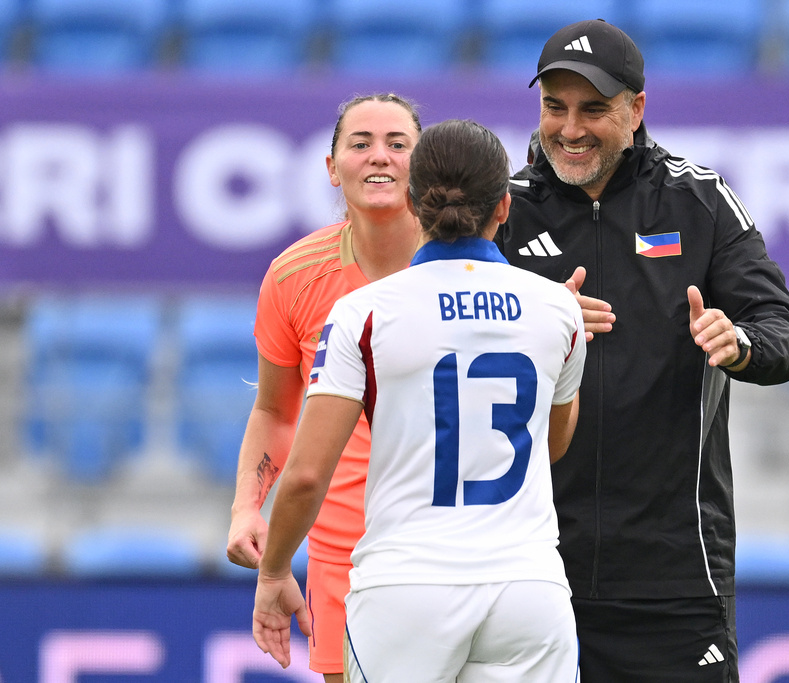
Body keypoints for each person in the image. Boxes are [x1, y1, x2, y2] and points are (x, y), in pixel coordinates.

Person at [493, 18, 789, 683]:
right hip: (532, 566)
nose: (570, 128)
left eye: (593, 109)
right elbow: (440, 338)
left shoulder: (700, 200)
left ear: (637, 109)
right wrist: (530, 319)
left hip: (675, 576)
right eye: (556, 107)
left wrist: (740, 341)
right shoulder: (504, 211)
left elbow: (785, 334)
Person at [251, 118, 587, 682]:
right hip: (527, 586)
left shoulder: (365, 312)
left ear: (411, 201)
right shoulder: (559, 308)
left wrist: (273, 572)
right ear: (503, 207)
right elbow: (551, 446)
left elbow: (308, 474)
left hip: (407, 586)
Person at [225, 93, 423, 679]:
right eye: (360, 144)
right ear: (332, 167)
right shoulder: (293, 276)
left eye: (397, 143)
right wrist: (246, 508)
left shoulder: (467, 268)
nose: (378, 157)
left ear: (425, 162)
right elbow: (276, 412)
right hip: (344, 559)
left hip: (451, 545)